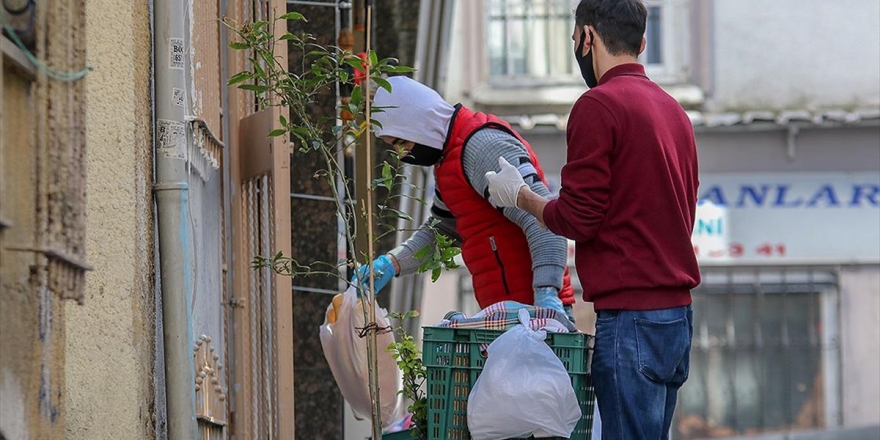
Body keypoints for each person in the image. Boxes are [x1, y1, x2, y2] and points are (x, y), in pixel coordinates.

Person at [484, 1, 701, 439]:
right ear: (641, 43)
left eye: (575, 41)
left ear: (586, 37)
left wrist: (521, 197)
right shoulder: (674, 110)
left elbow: (580, 218)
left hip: (631, 320)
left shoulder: (598, 106)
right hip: (675, 320)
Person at [350, 75, 577, 321]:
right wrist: (391, 263)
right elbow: (443, 232)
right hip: (513, 315)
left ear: (421, 123)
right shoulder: (449, 160)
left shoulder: (482, 147)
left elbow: (543, 220)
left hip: (535, 314)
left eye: (402, 141)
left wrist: (547, 293)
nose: (401, 153)